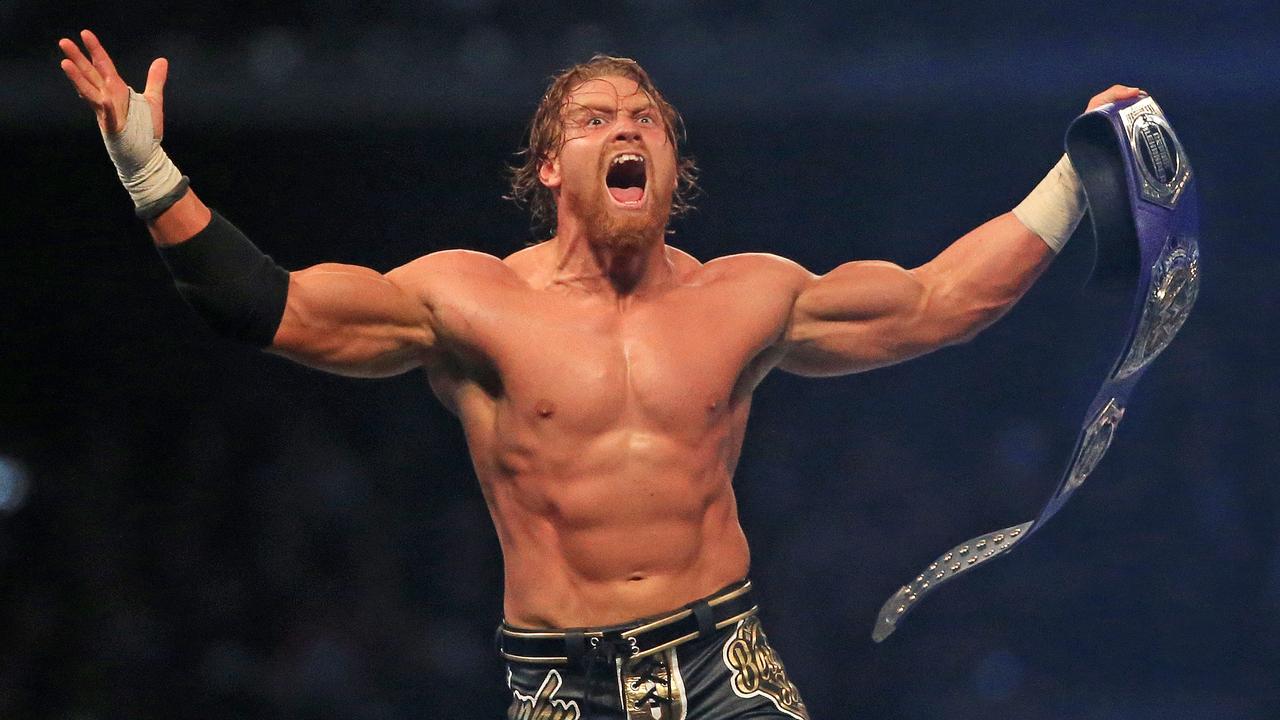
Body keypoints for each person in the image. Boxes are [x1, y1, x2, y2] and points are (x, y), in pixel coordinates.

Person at [58, 28, 1140, 719]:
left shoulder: (747, 296)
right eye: (595, 120)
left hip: (729, 664)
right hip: (560, 683)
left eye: (647, 123)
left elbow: (937, 302)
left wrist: (1073, 175)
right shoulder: (467, 299)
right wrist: (151, 174)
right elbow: (271, 308)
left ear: (671, 164)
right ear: (548, 165)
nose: (626, 128)